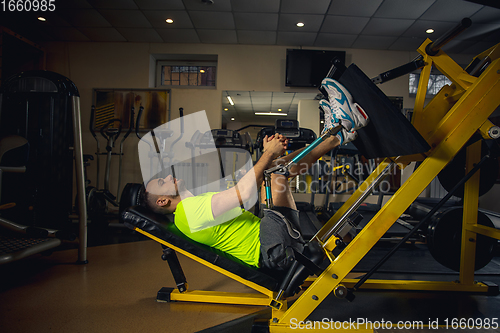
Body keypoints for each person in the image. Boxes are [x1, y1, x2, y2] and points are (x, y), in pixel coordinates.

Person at [142, 79, 369, 274]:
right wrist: (267, 154)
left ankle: (336, 135)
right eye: (161, 183)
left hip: (269, 241)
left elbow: (242, 196)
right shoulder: (188, 211)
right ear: (162, 201)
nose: (167, 177)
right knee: (274, 171)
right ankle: (341, 128)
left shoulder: (191, 207)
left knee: (275, 167)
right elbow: (244, 193)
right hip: (272, 251)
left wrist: (262, 163)